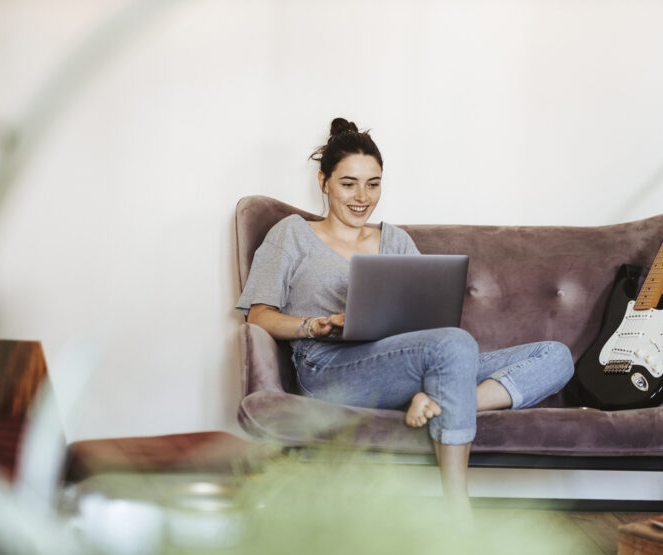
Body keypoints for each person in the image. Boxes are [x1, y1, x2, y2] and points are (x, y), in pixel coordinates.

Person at [236, 118, 574, 514]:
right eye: (349, 183)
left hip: (405, 361)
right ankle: (457, 509)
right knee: (455, 343)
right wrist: (314, 325)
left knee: (556, 355)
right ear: (323, 181)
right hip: (328, 367)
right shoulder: (291, 233)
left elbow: (427, 322)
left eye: (373, 183)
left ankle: (434, 397)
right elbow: (257, 316)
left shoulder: (395, 239)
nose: (362, 196)